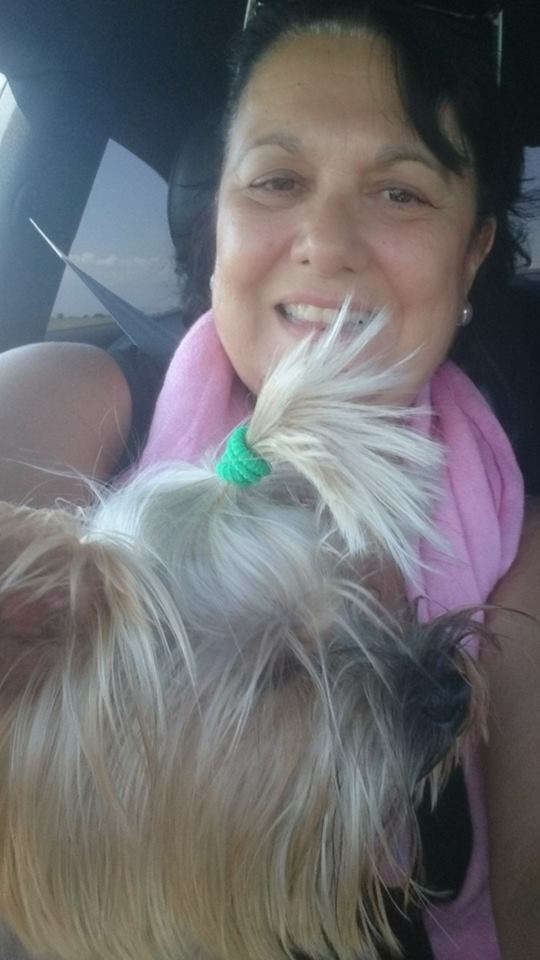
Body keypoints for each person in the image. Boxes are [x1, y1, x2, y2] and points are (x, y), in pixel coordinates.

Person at [0, 1, 538, 956]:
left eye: (402, 191)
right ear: (216, 219)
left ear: (474, 253)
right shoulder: (71, 402)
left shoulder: (512, 538)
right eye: (278, 179)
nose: (326, 240)